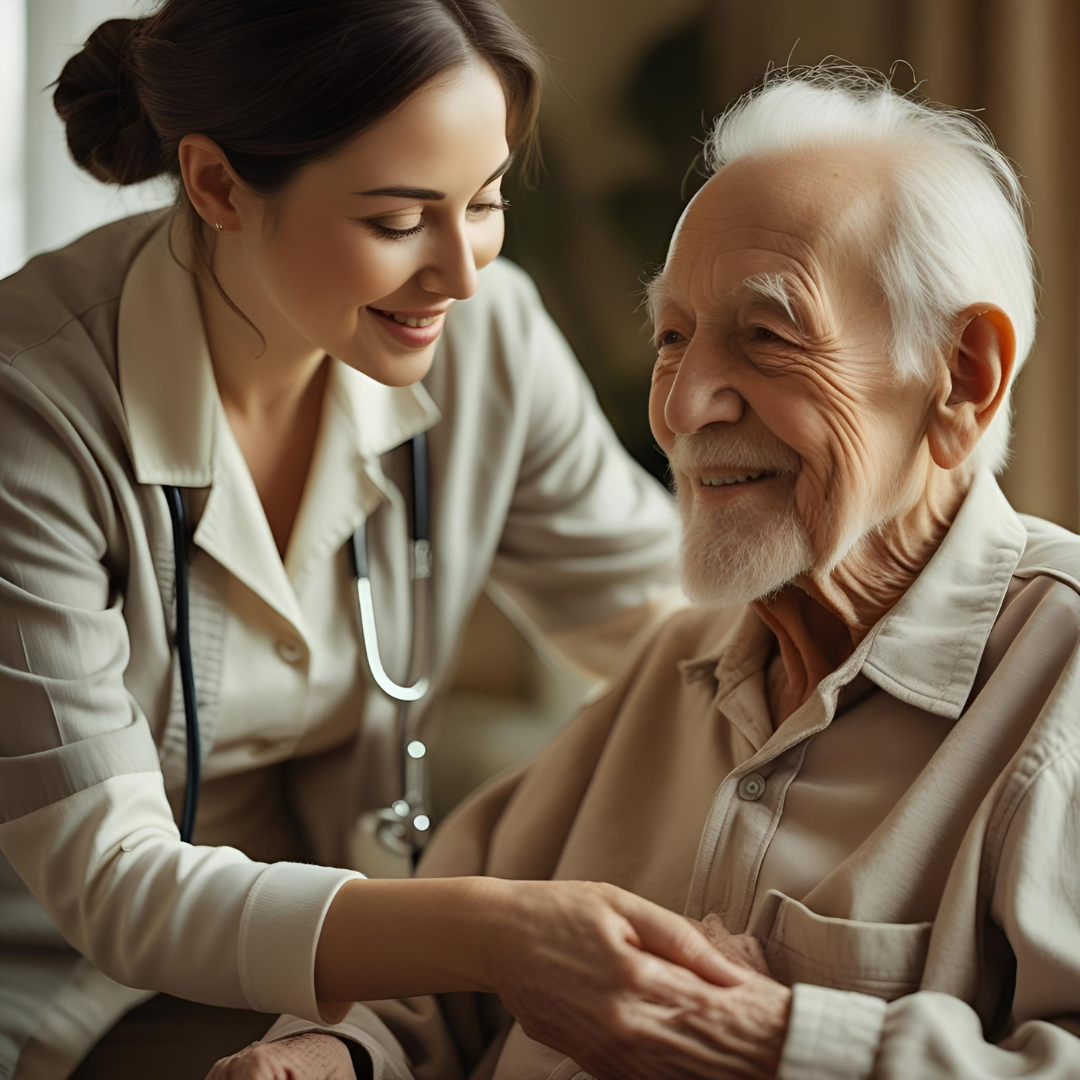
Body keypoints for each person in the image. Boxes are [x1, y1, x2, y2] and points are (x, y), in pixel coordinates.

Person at [211, 65, 1080, 1080]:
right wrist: (326, 1056)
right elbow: (433, 984)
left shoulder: (1058, 682)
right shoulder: (679, 657)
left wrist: (770, 1040)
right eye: (673, 338)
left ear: (963, 375)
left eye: (767, 335)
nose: (689, 403)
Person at [0, 2, 753, 1078]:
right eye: (399, 221)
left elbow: (667, 632)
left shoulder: (488, 342)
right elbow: (114, 882)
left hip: (320, 980)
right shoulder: (30, 413)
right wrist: (500, 930)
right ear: (217, 185)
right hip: (52, 988)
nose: (462, 271)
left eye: (484, 202)